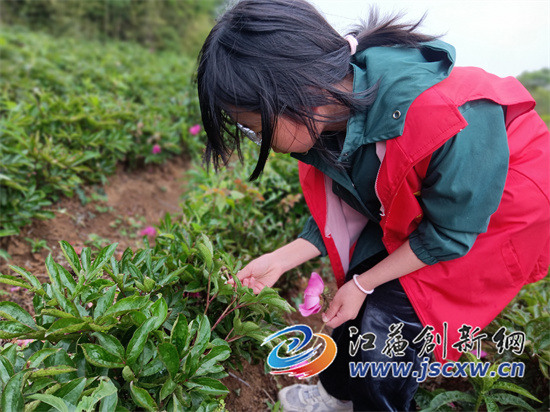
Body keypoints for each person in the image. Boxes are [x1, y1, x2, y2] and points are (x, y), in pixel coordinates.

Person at [196, 0, 550, 410]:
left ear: (297, 94)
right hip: (434, 202)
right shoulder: (334, 107)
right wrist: (280, 260)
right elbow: (354, 202)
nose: (265, 144)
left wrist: (365, 285)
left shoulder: (444, 116)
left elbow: (450, 233)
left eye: (257, 129)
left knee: (389, 321)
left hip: (501, 207)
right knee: (360, 281)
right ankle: (337, 394)